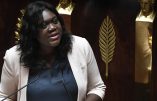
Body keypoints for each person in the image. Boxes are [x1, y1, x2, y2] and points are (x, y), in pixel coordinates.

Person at [0, 1, 105, 101]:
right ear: (32, 32)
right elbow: (4, 96)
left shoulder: (80, 46)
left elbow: (97, 87)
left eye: (55, 21)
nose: (52, 28)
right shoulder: (14, 56)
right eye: (43, 25)